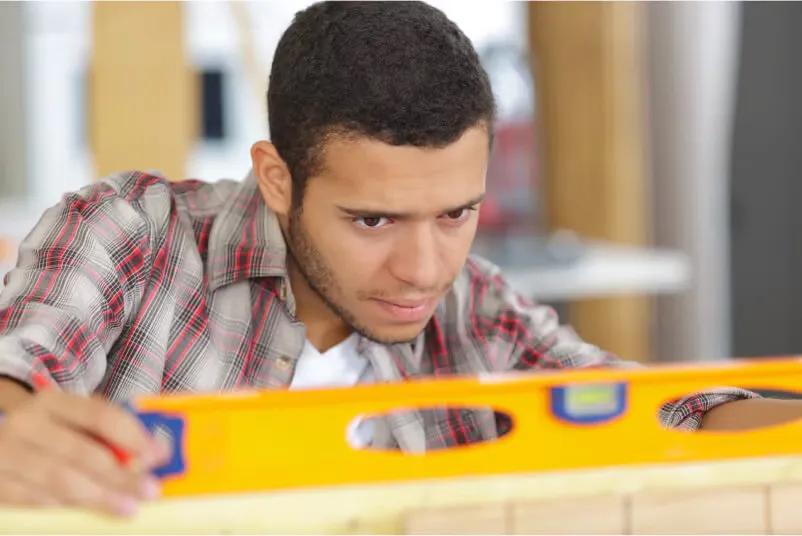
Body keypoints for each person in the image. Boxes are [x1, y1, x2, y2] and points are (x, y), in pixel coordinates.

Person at [0, 0, 798, 518]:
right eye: (373, 219)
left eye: (457, 213)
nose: (423, 269)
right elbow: (16, 381)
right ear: (278, 179)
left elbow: (647, 414)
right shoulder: (131, 234)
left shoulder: (475, 311)